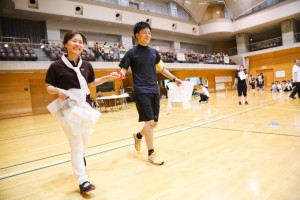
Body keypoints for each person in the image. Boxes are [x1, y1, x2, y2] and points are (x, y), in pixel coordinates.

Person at [45, 30, 118, 194]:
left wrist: (107, 78)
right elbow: (48, 87)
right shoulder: (56, 66)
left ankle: (80, 158)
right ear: (66, 44)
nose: (78, 44)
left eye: (80, 42)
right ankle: (82, 180)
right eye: (74, 41)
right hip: (68, 108)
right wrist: (57, 90)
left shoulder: (86, 65)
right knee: (76, 144)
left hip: (85, 107)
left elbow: (91, 83)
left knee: (85, 140)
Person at [117, 21, 182, 165]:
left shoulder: (154, 53)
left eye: (149, 33)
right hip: (141, 90)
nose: (147, 35)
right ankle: (151, 154)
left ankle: (138, 135)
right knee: (150, 122)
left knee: (154, 124)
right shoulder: (131, 53)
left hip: (154, 89)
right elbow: (123, 69)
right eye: (144, 33)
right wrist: (120, 74)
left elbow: (162, 69)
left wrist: (174, 78)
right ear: (137, 35)